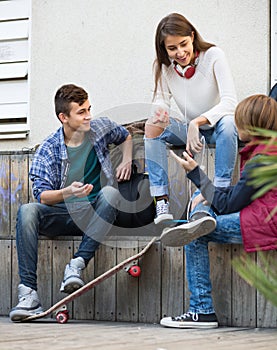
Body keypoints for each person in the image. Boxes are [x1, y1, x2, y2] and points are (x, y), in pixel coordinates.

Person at [9, 83, 133, 322]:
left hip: (96, 215)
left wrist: (126, 161)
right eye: (82, 112)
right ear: (63, 117)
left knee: (111, 195)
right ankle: (28, 294)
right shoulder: (48, 149)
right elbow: (42, 195)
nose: (89, 116)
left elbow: (125, 135)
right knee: (27, 211)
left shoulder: (100, 128)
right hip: (63, 215)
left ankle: (76, 265)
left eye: (89, 109)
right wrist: (67, 192)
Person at [159, 94, 277, 328]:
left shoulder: (261, 158)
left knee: (194, 235)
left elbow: (228, 205)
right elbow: (243, 195)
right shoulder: (269, 151)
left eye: (239, 120)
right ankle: (201, 217)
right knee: (202, 200)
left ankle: (201, 310)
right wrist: (206, 190)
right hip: (263, 215)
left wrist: (196, 173)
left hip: (264, 223)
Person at [144, 13, 238, 224]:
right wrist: (159, 112)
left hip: (217, 127)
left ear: (192, 37)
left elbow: (230, 102)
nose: (180, 52)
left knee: (230, 122)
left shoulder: (214, 55)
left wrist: (198, 122)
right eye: (172, 48)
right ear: (164, 49)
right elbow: (160, 99)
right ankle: (161, 200)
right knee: (151, 127)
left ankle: (219, 192)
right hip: (190, 131)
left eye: (183, 44)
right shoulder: (163, 67)